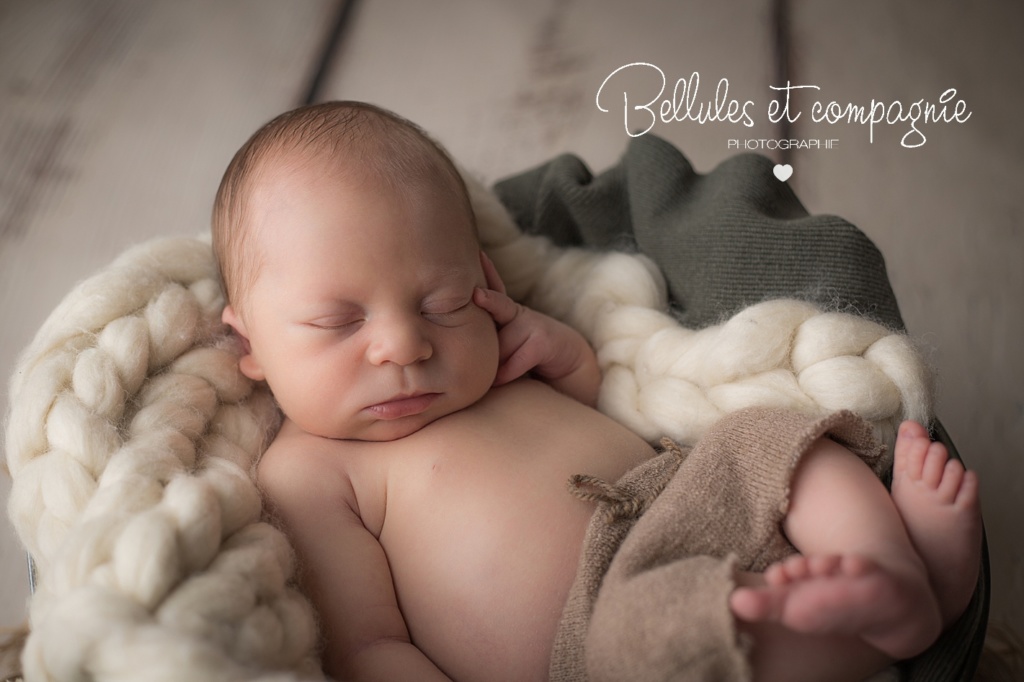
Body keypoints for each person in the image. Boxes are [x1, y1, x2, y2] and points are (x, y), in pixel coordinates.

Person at [211, 101, 982, 682]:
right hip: (599, 620)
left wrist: (567, 355)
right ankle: (887, 628)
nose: (406, 345)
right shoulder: (307, 470)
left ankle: (890, 565)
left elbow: (600, 402)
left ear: (483, 279)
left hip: (683, 489)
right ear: (248, 343)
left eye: (441, 303)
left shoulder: (497, 355)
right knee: (647, 640)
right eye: (337, 322)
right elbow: (368, 648)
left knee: (762, 436)